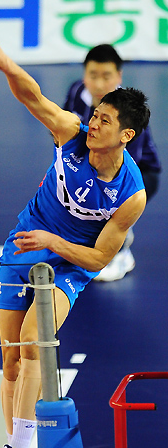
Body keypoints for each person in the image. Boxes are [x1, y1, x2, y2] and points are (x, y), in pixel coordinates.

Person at [0, 26, 149, 448]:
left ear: (125, 135)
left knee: (35, 341)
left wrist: (56, 241)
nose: (93, 124)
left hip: (70, 263)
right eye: (95, 114)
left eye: (105, 121)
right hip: (25, 243)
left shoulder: (130, 195)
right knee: (11, 360)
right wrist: (5, 64)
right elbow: (33, 97)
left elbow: (100, 257)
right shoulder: (70, 133)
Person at [63, 44, 161, 281]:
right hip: (92, 163)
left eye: (106, 76)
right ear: (84, 75)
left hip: (139, 173)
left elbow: (121, 166)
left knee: (109, 203)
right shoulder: (76, 92)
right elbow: (65, 133)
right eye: (92, 75)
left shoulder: (128, 112)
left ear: (118, 76)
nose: (98, 84)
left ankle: (122, 251)